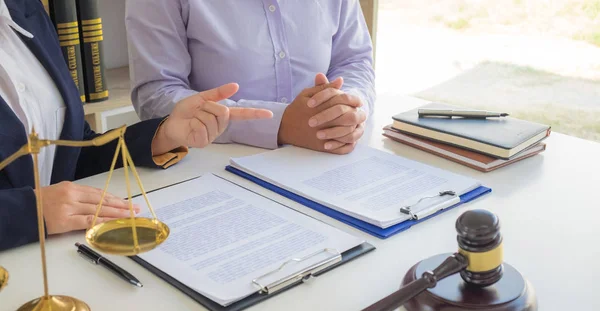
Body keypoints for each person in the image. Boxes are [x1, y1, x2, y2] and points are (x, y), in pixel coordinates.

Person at [0, 0, 279, 251]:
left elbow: (71, 154)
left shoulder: (24, 8)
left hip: (60, 254)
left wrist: (164, 135)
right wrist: (29, 213)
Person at [125, 0, 376, 155]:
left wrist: (347, 108)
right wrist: (279, 125)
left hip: (326, 158)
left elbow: (354, 60)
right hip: (215, 167)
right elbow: (155, 95)